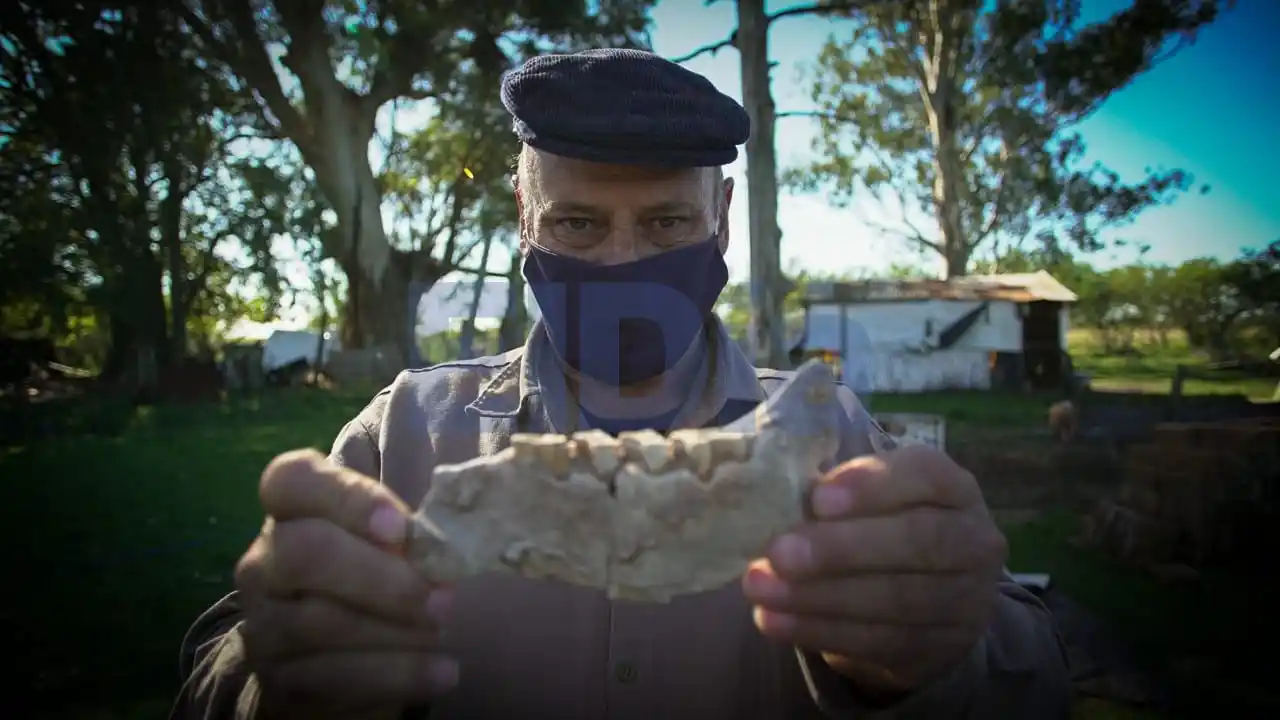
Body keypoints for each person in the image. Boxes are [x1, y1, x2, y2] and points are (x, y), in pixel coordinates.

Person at [170, 49, 1071, 720]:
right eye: (577, 223)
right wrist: (272, 679)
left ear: (720, 220)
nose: (624, 260)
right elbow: (224, 673)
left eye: (667, 220)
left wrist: (934, 657)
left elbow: (1031, 669)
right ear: (525, 219)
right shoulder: (403, 435)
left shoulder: (831, 438)